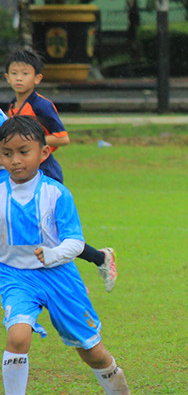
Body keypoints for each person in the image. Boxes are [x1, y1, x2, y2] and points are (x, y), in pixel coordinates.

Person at [0, 116, 156, 395]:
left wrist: (52, 254)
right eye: (7, 153)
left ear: (44, 153)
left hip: (60, 278)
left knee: (95, 354)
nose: (15, 160)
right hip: (16, 277)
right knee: (17, 335)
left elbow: (75, 241)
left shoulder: (56, 194)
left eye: (23, 151)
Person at [4, 48, 118, 291]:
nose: (19, 78)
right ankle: (98, 260)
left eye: (25, 73)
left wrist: (33, 145)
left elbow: (63, 137)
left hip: (46, 173)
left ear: (37, 78)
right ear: (6, 78)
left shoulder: (41, 105)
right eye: (14, 73)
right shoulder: (12, 107)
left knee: (53, 233)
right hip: (21, 175)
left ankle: (85, 271)